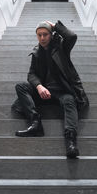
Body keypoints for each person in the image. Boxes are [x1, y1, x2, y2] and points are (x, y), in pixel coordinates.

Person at [12, 20, 89, 158]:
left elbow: (72, 37)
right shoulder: (36, 52)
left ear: (51, 34)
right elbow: (31, 74)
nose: (42, 38)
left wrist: (55, 26)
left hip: (61, 91)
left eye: (45, 34)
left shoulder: (61, 47)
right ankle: (36, 124)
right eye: (39, 35)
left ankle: (71, 142)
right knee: (20, 87)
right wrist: (39, 86)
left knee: (69, 100)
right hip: (44, 91)